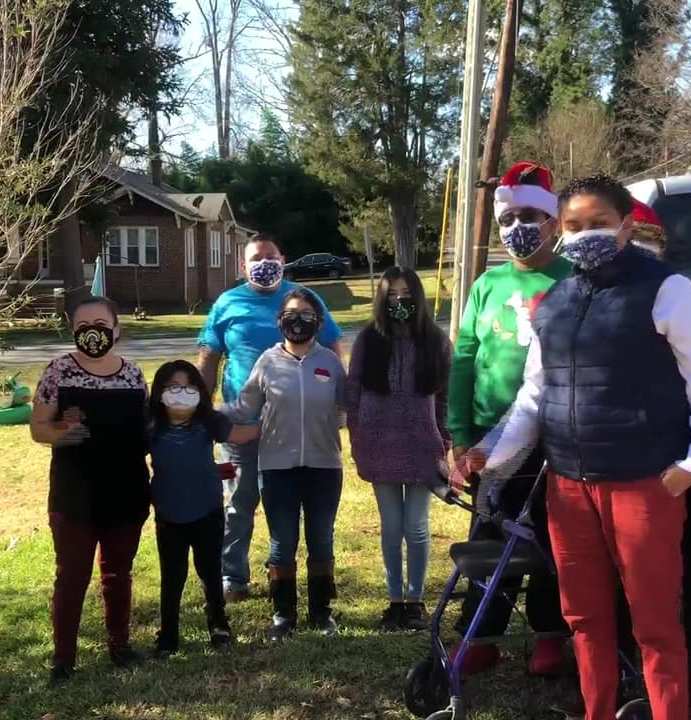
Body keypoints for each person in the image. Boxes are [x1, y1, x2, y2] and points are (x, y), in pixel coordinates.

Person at [479, 173, 691, 720]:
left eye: (598, 224)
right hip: (569, 487)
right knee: (585, 620)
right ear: (558, 231)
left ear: (626, 226)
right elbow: (535, 395)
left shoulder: (667, 288)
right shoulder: (553, 300)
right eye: (573, 226)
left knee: (655, 623)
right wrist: (488, 455)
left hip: (646, 483)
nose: (584, 234)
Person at [445, 160, 573, 677]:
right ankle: (481, 635)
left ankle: (549, 633)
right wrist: (459, 434)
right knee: (492, 535)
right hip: (491, 438)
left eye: (529, 216)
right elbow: (463, 358)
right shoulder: (486, 284)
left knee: (551, 540)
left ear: (552, 221)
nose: (518, 227)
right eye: (508, 219)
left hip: (560, 437)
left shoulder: (573, 277)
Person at [197, 234, 343, 603]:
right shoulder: (227, 303)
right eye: (256, 258)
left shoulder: (304, 300)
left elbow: (333, 350)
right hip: (242, 425)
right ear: (242, 266)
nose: (264, 263)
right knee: (239, 504)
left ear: (283, 259)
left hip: (297, 426)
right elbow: (208, 359)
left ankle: (293, 576)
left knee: (293, 510)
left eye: (271, 257)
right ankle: (233, 578)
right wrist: (202, 413)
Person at [30, 297, 151, 687]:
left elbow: (146, 432)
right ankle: (63, 659)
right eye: (83, 324)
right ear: (72, 330)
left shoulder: (134, 376)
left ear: (116, 330)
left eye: (100, 323)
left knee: (118, 573)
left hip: (127, 489)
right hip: (74, 491)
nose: (92, 331)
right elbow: (38, 428)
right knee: (72, 575)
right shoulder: (58, 371)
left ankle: (120, 647)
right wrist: (64, 432)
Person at [225, 288, 347, 641]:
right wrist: (208, 416)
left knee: (321, 539)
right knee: (283, 541)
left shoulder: (331, 363)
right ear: (280, 320)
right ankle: (283, 616)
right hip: (277, 466)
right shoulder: (267, 362)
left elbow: (353, 406)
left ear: (319, 322)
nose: (298, 320)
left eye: (306, 314)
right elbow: (244, 406)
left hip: (324, 466)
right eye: (291, 313)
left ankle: (321, 613)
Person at [345, 266, 452, 632]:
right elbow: (353, 393)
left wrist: (445, 441)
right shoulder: (368, 341)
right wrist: (357, 436)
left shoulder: (435, 342)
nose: (399, 301)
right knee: (391, 526)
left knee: (417, 526)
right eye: (391, 294)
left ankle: (415, 599)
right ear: (382, 299)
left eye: (406, 293)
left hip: (423, 447)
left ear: (418, 297)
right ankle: (394, 600)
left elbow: (444, 398)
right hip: (379, 445)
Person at [147, 359, 260, 658]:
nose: (181, 393)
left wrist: (270, 423)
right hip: (169, 515)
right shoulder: (151, 427)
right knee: (173, 576)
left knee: (210, 572)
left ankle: (218, 625)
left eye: (188, 387)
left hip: (208, 511)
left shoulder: (210, 422)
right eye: (173, 388)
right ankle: (168, 634)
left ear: (199, 391)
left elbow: (240, 434)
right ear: (159, 392)